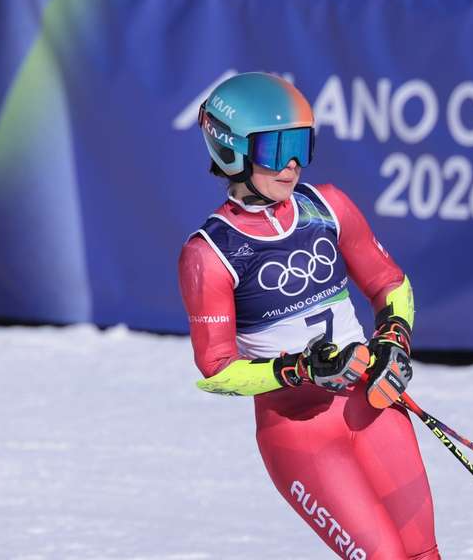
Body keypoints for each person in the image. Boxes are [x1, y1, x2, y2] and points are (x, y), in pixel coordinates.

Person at [178, 72, 440, 560]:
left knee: (423, 554)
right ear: (232, 151)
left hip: (372, 406)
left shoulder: (328, 206)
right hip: (299, 434)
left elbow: (390, 284)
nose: (292, 164)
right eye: (276, 149)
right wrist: (299, 370)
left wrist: (393, 339)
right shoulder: (209, 253)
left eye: (300, 145)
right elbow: (216, 372)